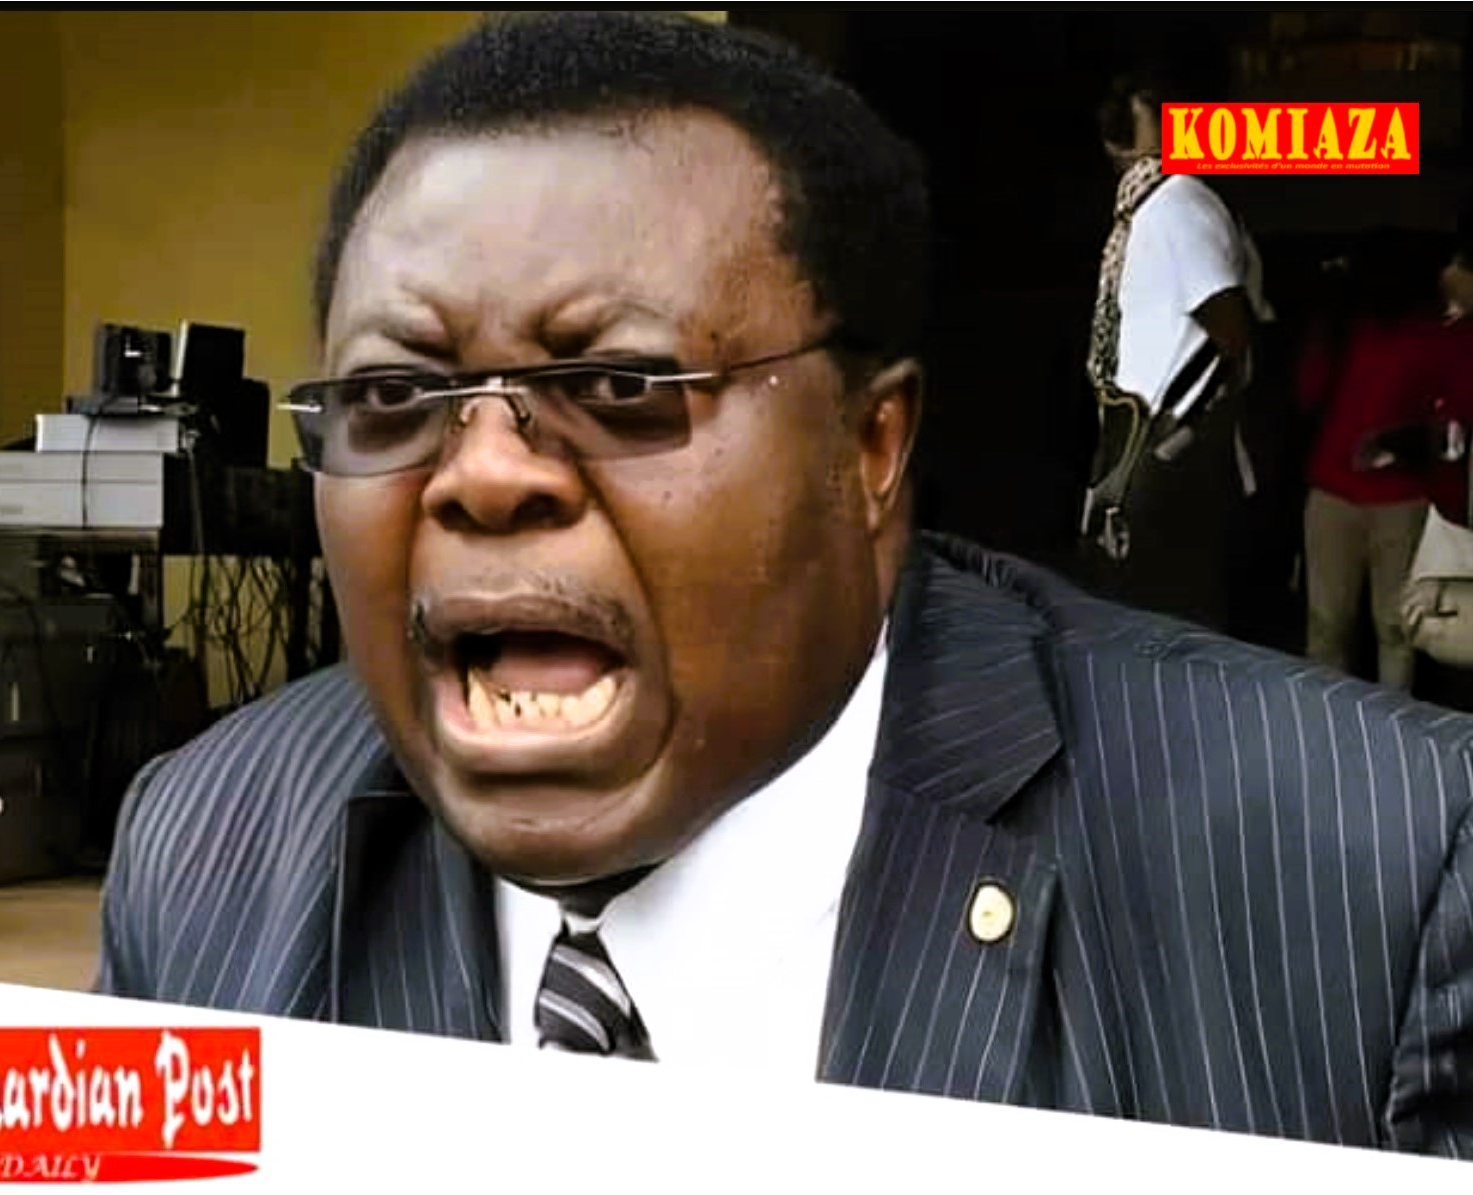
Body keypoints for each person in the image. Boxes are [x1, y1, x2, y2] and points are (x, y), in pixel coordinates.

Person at [97, 12, 1473, 1157]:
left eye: (619, 385)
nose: (487, 473)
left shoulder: (1378, 866)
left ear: (869, 447)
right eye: (396, 396)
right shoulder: (203, 847)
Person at [1080, 69, 1278, 640]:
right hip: (1145, 438)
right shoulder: (1149, 205)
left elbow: (1228, 327)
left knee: (1171, 622)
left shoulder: (1175, 202)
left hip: (1175, 442)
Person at [1296, 231, 1450, 691]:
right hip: (1333, 493)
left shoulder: (1432, 335)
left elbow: (1448, 419)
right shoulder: (1341, 329)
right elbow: (1307, 395)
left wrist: (1405, 442)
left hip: (1402, 498)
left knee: (1396, 627)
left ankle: (1392, 725)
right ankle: (1324, 722)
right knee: (1327, 623)